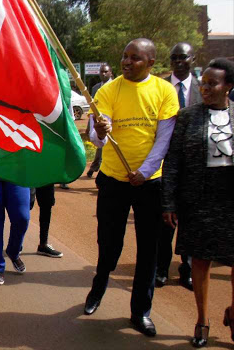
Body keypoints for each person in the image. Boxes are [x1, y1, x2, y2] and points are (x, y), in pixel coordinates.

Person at [84, 38, 179, 337]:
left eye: (134, 58)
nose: (126, 62)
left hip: (149, 182)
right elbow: (97, 136)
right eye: (124, 56)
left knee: (148, 249)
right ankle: (98, 287)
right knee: (109, 244)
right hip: (113, 179)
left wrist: (145, 171)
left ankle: (141, 311)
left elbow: (164, 139)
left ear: (151, 63)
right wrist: (100, 131)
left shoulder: (165, 91)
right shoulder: (109, 89)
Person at [161, 58, 234, 347]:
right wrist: (168, 202)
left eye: (212, 84)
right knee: (200, 261)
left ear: (228, 86)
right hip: (198, 200)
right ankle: (202, 319)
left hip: (231, 199)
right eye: (203, 83)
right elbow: (174, 162)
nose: (206, 89)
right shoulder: (189, 116)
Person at [156, 42, 201, 291]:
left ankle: (188, 270)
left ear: (192, 58)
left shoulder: (202, 87)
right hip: (165, 163)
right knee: (165, 220)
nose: (178, 61)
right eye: (174, 57)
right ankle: (161, 269)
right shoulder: (161, 87)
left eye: (182, 57)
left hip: (194, 167)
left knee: (190, 221)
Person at [86, 64, 113, 178]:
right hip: (99, 126)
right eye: (101, 72)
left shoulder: (116, 87)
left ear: (111, 73)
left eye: (106, 72)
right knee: (100, 146)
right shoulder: (95, 88)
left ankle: (95, 168)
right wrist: (89, 126)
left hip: (113, 124)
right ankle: (95, 168)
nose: (103, 74)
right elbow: (93, 109)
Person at [29, 185, 63, 258]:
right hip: (28, 174)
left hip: (46, 177)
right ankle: (16, 244)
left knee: (47, 204)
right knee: (26, 204)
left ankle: (43, 245)